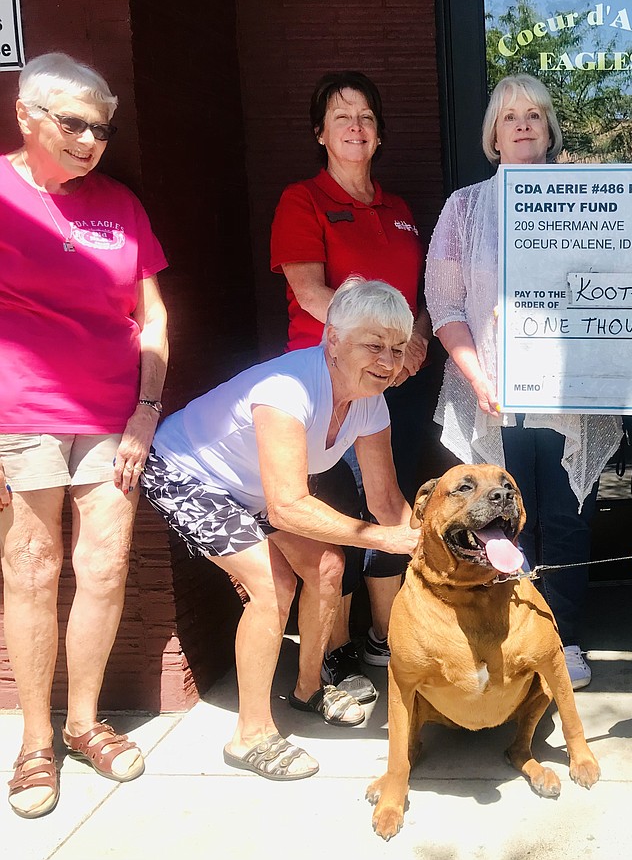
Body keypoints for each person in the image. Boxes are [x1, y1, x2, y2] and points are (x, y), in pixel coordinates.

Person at [139, 278, 419, 780]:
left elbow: (386, 500)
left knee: (329, 567)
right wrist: (381, 538)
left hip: (254, 486)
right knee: (273, 587)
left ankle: (308, 687)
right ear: (332, 339)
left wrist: (430, 548)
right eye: (373, 345)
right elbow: (289, 505)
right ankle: (250, 735)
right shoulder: (287, 390)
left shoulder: (372, 401)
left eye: (397, 349)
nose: (388, 361)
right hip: (186, 470)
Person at [1, 53, 169, 819]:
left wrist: (147, 407)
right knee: (32, 567)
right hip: (22, 409)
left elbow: (154, 317)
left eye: (100, 128)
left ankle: (82, 721)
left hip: (113, 412)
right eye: (73, 124)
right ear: (26, 115)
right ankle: (35, 740)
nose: (90, 141)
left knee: (103, 564)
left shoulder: (121, 205)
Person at [426, 74, 623, 689]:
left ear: (549, 129)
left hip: (568, 404)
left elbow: (618, 282)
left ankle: (562, 641)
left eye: (535, 114)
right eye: (510, 115)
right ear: (492, 133)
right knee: (501, 520)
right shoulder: (463, 209)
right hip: (491, 399)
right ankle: (510, 633)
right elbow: (445, 305)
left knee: (565, 519)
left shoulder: (589, 201)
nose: (523, 124)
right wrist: (480, 379)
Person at [270, 70, 434, 705]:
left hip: (397, 382)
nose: (356, 127)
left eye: (365, 116)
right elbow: (310, 291)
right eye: (341, 117)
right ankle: (333, 651)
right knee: (335, 520)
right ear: (321, 132)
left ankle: (383, 638)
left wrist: (412, 341)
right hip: (325, 383)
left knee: (389, 506)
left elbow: (414, 301)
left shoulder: (399, 212)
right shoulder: (302, 200)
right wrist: (376, 345)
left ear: (380, 132)